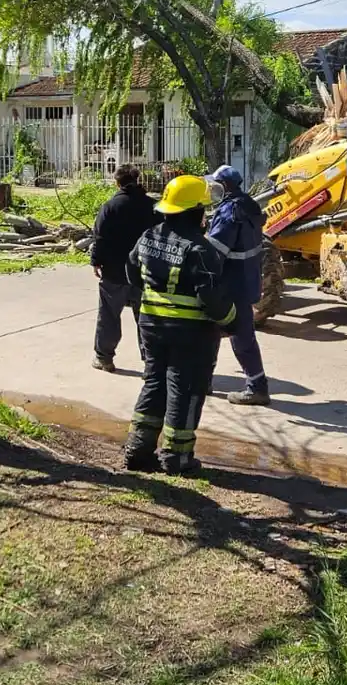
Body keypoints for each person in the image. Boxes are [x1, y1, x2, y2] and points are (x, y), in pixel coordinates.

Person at [123, 175, 235, 475]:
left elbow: (132, 272)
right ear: (197, 211)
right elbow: (211, 297)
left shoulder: (148, 236)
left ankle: (137, 449)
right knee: (185, 392)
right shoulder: (200, 249)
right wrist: (232, 321)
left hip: (151, 326)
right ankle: (177, 458)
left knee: (154, 383)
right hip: (191, 335)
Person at [204, 165, 272, 406]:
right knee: (235, 334)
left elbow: (215, 251)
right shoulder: (249, 206)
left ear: (226, 186)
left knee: (227, 334)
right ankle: (251, 384)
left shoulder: (229, 211)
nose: (212, 189)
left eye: (215, 185)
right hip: (246, 281)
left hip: (228, 284)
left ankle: (256, 387)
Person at [89, 164, 156, 372]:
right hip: (145, 272)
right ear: (138, 180)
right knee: (146, 318)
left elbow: (100, 237)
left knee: (109, 315)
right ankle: (151, 363)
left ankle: (104, 358)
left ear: (117, 182)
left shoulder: (110, 207)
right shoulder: (153, 206)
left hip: (114, 271)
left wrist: (96, 261)